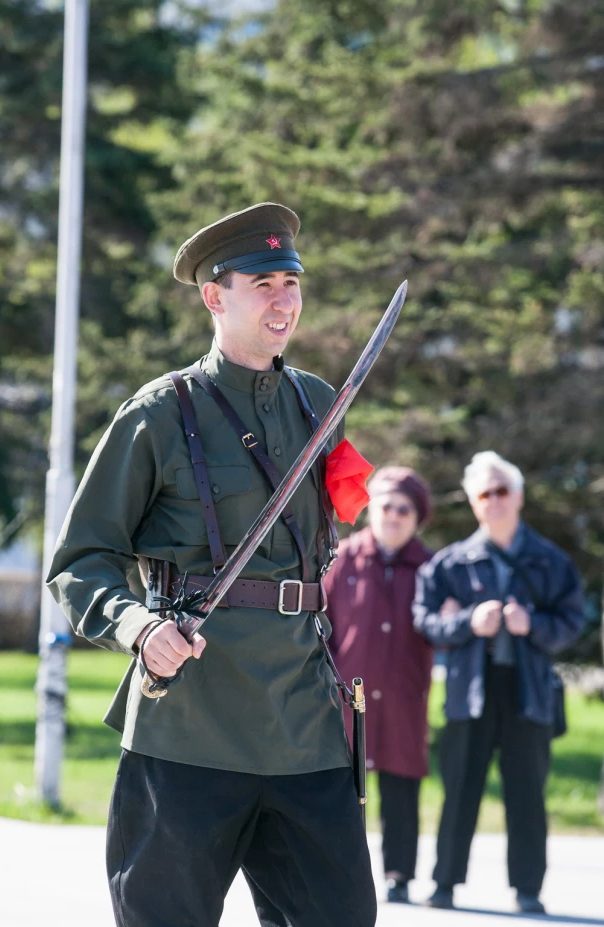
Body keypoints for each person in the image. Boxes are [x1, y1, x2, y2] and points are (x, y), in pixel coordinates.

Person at [47, 203, 377, 927]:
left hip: (303, 725)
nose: (284, 299)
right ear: (214, 295)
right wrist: (135, 625)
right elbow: (80, 559)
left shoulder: (319, 404)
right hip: (188, 722)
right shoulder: (158, 413)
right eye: (263, 283)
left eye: (291, 282)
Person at [413, 451, 585, 915]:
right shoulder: (450, 563)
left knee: (527, 795)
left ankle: (528, 891)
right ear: (473, 503)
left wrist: (534, 625)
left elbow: (573, 620)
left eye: (502, 491)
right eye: (484, 494)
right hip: (471, 691)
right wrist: (471, 621)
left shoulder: (551, 560)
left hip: (529, 692)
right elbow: (426, 621)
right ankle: (444, 885)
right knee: (459, 792)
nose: (494, 501)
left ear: (520, 497)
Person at [324, 466, 434, 904]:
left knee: (401, 788)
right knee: (342, 790)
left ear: (416, 516)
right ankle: (338, 871)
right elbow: (321, 627)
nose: (393, 515)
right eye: (385, 505)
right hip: (348, 699)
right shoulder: (342, 558)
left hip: (405, 698)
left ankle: (398, 875)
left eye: (403, 508)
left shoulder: (429, 566)